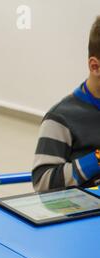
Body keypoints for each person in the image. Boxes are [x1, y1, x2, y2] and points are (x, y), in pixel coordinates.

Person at [32, 16, 100, 191]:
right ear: (95, 67)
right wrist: (97, 159)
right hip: (83, 214)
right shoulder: (61, 118)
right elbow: (43, 183)